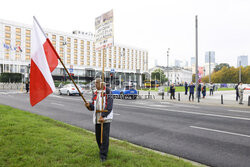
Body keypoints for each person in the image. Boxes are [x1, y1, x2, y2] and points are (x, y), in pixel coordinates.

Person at [85, 78, 113, 162]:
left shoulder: (108, 91)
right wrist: (89, 105)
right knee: (98, 137)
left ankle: (103, 155)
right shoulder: (95, 92)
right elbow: (93, 106)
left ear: (101, 83)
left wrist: (103, 116)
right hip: (97, 118)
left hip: (105, 118)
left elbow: (109, 106)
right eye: (95, 83)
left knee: (104, 137)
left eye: (97, 83)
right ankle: (101, 150)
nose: (95, 84)